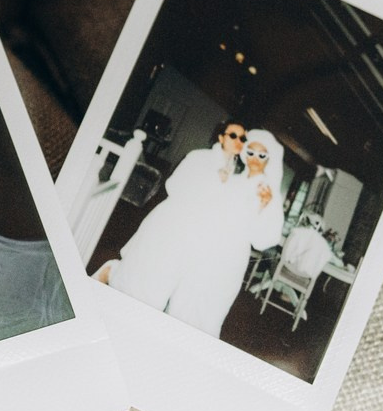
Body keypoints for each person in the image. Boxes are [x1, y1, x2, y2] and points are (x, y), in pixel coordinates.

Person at [99, 123, 286, 337]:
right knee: (179, 303)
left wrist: (264, 206)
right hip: (199, 250)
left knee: (206, 316)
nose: (254, 158)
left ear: (270, 160)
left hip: (228, 260)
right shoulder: (230, 178)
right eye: (250, 151)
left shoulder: (269, 193)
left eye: (262, 155)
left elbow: (264, 240)